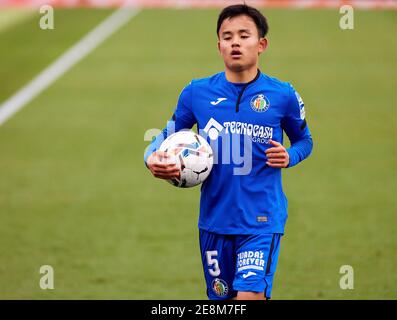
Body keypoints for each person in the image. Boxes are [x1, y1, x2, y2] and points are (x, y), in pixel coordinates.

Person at [144, 4, 313, 300]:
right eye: (227, 36)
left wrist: (290, 156)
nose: (235, 42)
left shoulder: (283, 95)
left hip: (261, 220)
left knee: (249, 296)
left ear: (261, 44)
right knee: (222, 301)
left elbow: (305, 141)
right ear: (219, 45)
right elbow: (164, 137)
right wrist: (152, 159)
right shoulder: (196, 92)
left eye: (244, 35)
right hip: (214, 221)